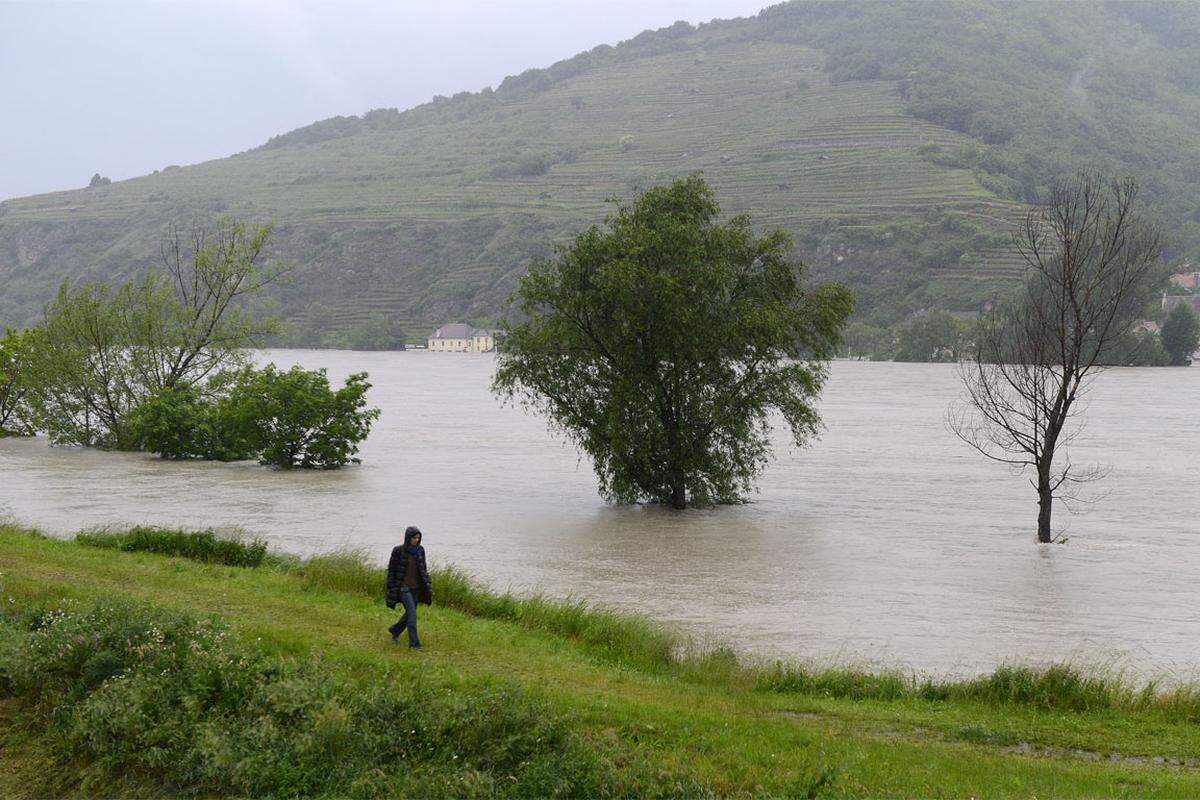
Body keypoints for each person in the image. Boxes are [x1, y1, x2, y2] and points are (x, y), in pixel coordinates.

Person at [386, 526, 432, 648]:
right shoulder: (398, 551)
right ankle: (415, 644)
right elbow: (391, 569)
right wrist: (391, 584)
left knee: (408, 615)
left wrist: (427, 581)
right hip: (403, 588)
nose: (416, 540)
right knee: (412, 615)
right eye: (414, 538)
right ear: (408, 538)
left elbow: (423, 569)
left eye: (418, 538)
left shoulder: (420, 550)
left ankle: (395, 630)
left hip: (416, 589)